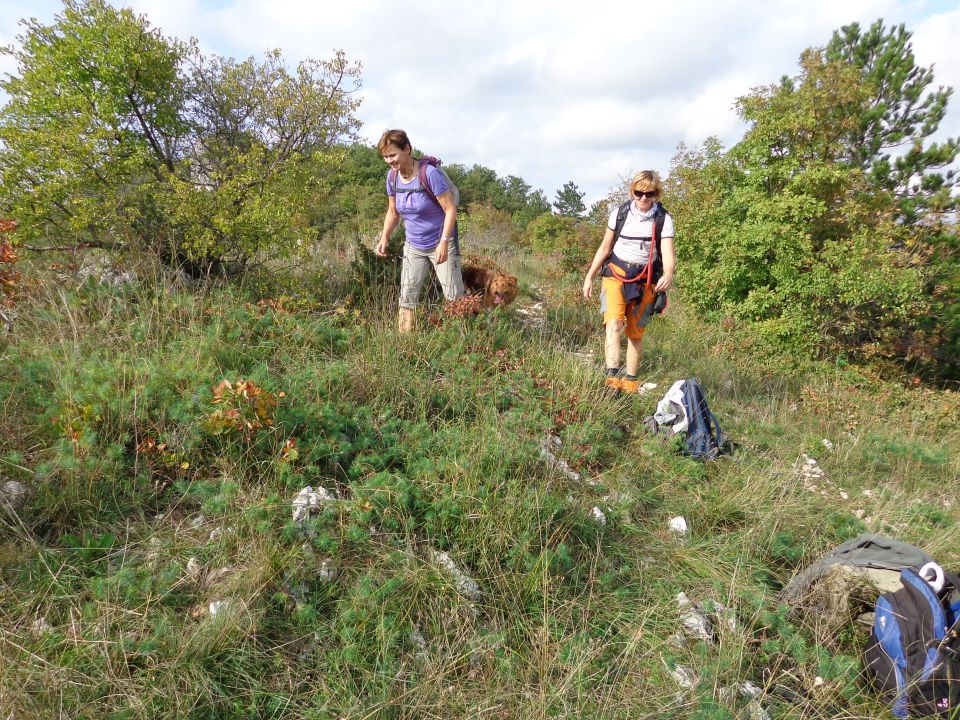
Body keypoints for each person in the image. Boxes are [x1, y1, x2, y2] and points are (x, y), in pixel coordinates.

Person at [582, 170, 675, 392]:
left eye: (649, 193)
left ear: (656, 194)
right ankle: (612, 380)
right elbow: (605, 247)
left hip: (646, 282)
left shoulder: (663, 219)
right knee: (613, 323)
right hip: (614, 275)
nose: (643, 198)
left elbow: (668, 253)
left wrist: (668, 274)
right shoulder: (619, 213)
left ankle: (631, 382)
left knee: (635, 333)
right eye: (639, 192)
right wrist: (589, 276)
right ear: (632, 191)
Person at [374, 129, 463, 333]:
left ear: (407, 149)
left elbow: (450, 210)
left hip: (441, 242)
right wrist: (384, 237)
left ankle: (462, 345)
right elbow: (393, 211)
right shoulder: (392, 178)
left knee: (454, 295)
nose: (389, 161)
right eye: (385, 157)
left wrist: (444, 242)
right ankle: (406, 344)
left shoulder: (429, 174)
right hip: (413, 245)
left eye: (393, 155)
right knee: (407, 296)